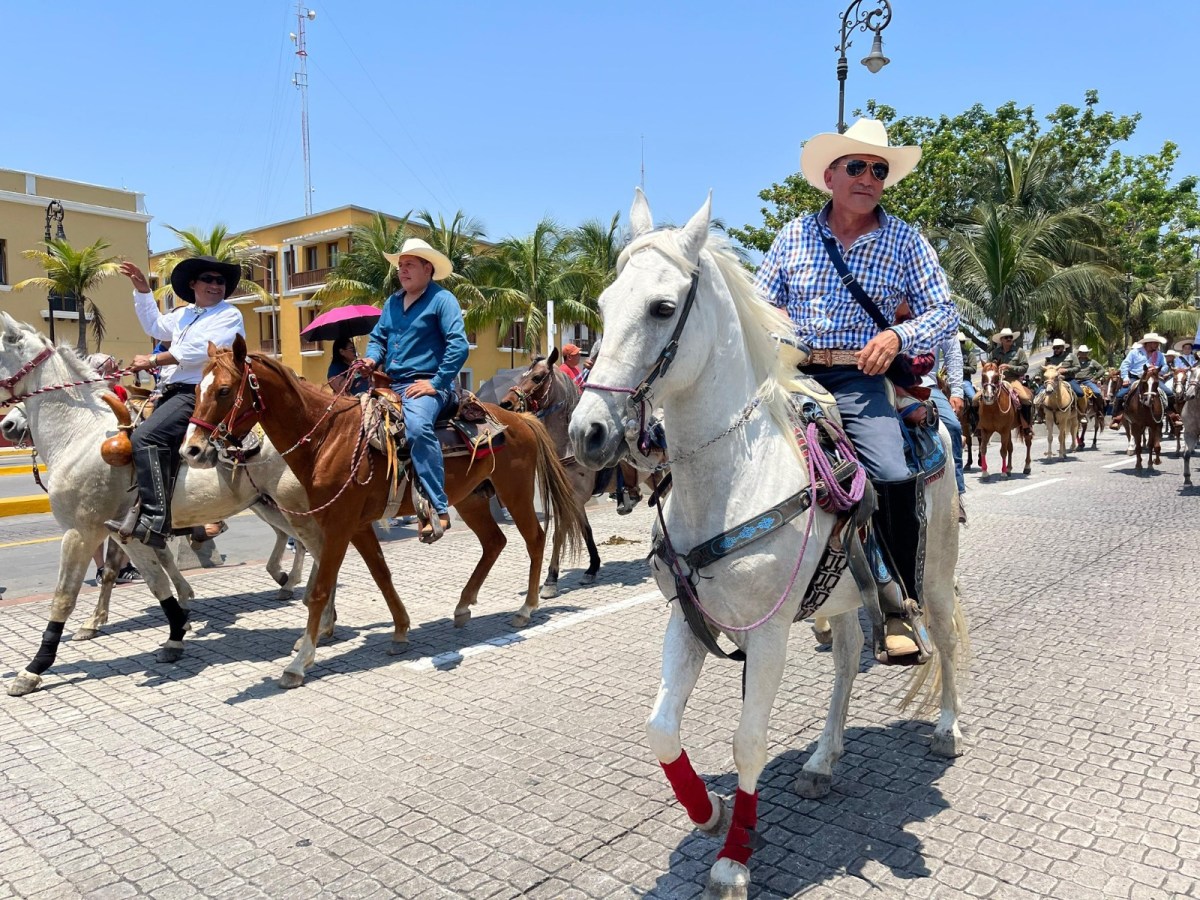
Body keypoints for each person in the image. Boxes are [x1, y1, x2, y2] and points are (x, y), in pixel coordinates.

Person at [754, 117, 959, 664]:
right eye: (857, 166)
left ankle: (898, 604)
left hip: (856, 377)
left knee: (890, 472)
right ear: (829, 174)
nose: (869, 176)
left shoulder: (904, 239)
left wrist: (896, 335)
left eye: (879, 169)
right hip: (790, 373)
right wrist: (774, 322)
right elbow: (761, 300)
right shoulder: (794, 234)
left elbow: (944, 310)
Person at [106, 257, 246, 548]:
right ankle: (187, 519)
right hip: (170, 391)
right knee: (145, 441)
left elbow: (203, 350)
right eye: (209, 279)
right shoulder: (183, 315)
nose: (216, 285)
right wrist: (143, 290)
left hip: (199, 393)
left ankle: (154, 523)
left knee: (146, 438)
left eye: (221, 281)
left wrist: (153, 359)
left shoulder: (228, 315)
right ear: (193, 284)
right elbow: (155, 326)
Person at [362, 238, 469, 544]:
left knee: (419, 428)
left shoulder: (442, 300)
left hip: (429, 384)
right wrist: (371, 357)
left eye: (409, 264)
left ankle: (438, 505)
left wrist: (435, 383)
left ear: (427, 268)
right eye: (400, 265)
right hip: (392, 384)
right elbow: (378, 338)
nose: (402, 270)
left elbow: (458, 346)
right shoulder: (392, 302)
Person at [1110, 332, 1173, 429]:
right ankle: (1117, 418)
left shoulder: (1159, 355)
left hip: (1152, 378)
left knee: (1169, 393)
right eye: (1155, 343)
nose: (1157, 345)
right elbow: (1125, 365)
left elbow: (1164, 366)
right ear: (1148, 343)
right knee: (1120, 395)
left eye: (1157, 343)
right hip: (1135, 377)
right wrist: (1126, 378)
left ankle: (1172, 415)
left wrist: (1157, 369)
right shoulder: (1134, 352)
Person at [987, 328, 1033, 434]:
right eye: (1006, 337)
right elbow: (987, 367)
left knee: (1025, 398)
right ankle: (980, 426)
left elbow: (1024, 367)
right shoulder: (994, 353)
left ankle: (1026, 426)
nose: (1009, 339)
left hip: (1013, 380)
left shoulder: (1019, 351)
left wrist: (1009, 367)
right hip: (996, 381)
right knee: (977, 399)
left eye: (1010, 337)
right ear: (1001, 340)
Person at [958, 332, 978, 408]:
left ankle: (976, 417)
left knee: (974, 399)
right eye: (959, 342)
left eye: (962, 342)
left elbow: (973, 369)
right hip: (950, 381)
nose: (961, 344)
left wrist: (960, 368)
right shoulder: (950, 356)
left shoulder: (970, 355)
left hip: (964, 381)